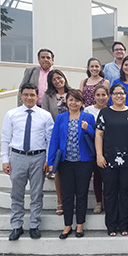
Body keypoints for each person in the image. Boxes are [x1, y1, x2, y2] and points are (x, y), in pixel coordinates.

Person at [1, 83, 54, 241]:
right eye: (26, 94)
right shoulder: (11, 114)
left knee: (37, 193)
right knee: (16, 193)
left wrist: (47, 159)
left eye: (32, 95)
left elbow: (50, 140)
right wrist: (5, 160)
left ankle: (34, 225)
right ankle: (16, 225)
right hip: (17, 157)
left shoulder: (45, 115)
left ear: (37, 96)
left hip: (38, 158)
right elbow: (5, 138)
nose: (29, 98)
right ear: (21, 96)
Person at [47, 89, 95, 239]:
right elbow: (54, 140)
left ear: (82, 102)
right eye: (71, 100)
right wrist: (50, 161)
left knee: (81, 194)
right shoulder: (61, 118)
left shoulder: (89, 117)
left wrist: (89, 128)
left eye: (77, 100)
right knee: (67, 194)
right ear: (66, 102)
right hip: (65, 162)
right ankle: (67, 224)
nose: (74, 103)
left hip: (84, 162)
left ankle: (80, 224)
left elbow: (96, 137)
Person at [95, 84, 128, 236]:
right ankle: (111, 226)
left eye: (122, 93)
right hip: (108, 160)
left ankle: (124, 225)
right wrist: (99, 155)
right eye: (116, 93)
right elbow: (99, 134)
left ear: (126, 95)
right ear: (111, 95)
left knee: (126, 193)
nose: (119, 96)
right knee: (110, 192)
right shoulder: (105, 112)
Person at [42, 69, 72, 215]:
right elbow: (46, 115)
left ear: (64, 78)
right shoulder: (48, 96)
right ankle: (60, 201)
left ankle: (71, 201)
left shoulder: (72, 92)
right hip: (57, 134)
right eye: (54, 80)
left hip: (73, 134)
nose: (57, 81)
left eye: (59, 78)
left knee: (72, 169)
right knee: (59, 169)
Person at [84, 84, 110, 214]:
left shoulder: (111, 110)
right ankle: (99, 202)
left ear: (108, 96)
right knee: (97, 175)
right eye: (98, 95)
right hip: (93, 148)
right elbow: (85, 130)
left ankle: (109, 201)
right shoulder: (88, 111)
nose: (101, 98)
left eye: (103, 95)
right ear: (93, 96)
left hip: (109, 146)